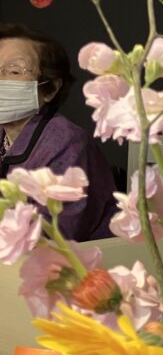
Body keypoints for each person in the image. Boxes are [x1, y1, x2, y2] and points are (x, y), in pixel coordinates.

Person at [0, 23, 116, 241]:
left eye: (14, 71)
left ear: (51, 88)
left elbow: (54, 233)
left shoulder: (69, 145)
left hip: (76, 258)